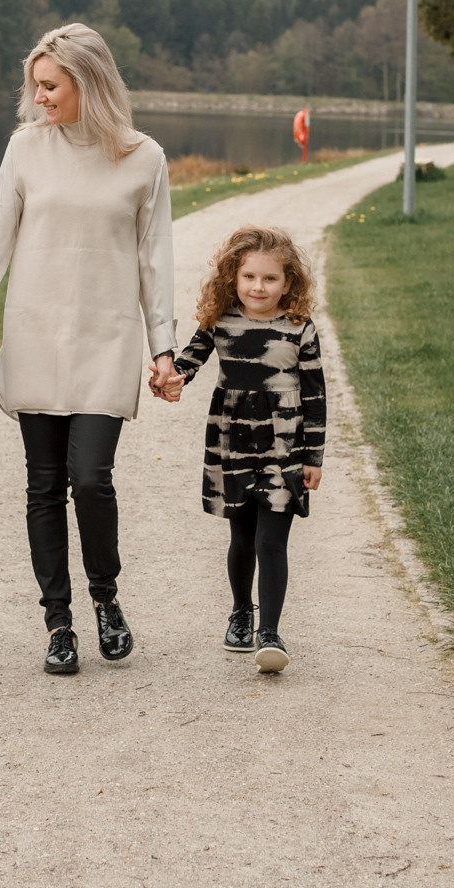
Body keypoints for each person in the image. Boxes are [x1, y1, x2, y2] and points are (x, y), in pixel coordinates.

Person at [0, 24, 177, 676]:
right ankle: (59, 624)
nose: (38, 99)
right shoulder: (26, 149)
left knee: (91, 480)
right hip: (37, 335)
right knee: (44, 486)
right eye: (34, 86)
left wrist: (164, 349)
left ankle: (106, 599)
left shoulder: (144, 158)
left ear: (88, 83)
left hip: (105, 341)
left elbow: (156, 262)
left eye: (50, 86)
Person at [165, 225, 325, 673]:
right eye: (250, 277)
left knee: (272, 540)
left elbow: (315, 396)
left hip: (284, 448)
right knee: (243, 537)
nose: (259, 287)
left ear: (288, 282)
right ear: (234, 279)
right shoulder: (220, 321)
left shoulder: (299, 329)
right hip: (231, 443)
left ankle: (270, 632)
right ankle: (241, 610)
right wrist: (171, 378)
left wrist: (314, 457)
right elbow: (189, 362)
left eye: (270, 279)